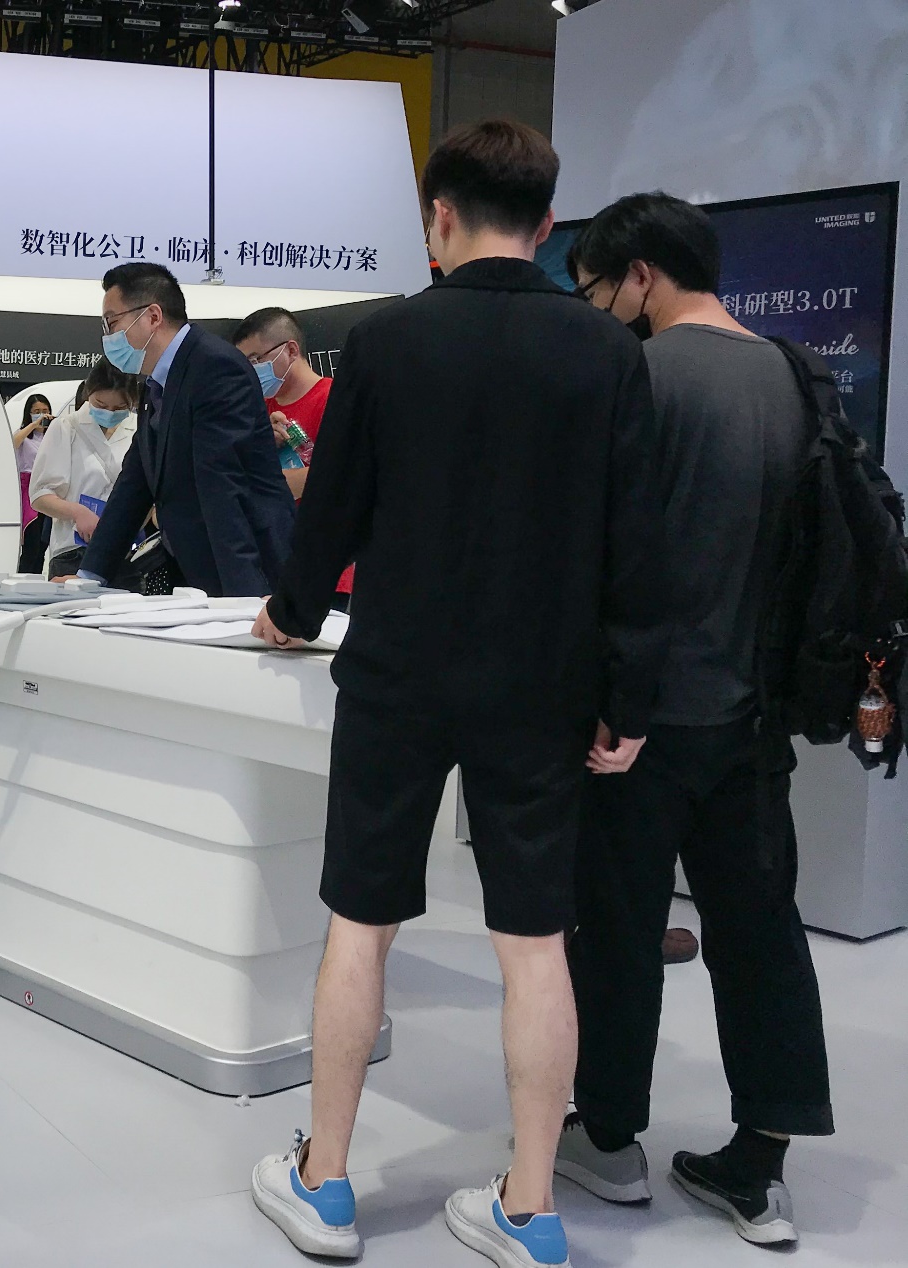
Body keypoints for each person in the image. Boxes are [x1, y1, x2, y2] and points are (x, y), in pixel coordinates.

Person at [246, 121, 668, 1267]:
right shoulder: (605, 351)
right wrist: (627, 696)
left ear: (437, 215)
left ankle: (326, 1182)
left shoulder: (385, 342)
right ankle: (529, 1206)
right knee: (533, 940)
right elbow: (635, 542)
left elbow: (331, 512)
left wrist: (289, 610)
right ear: (547, 223)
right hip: (543, 680)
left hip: (397, 670)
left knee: (359, 920)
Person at [558, 192, 832, 1247]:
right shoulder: (792, 374)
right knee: (760, 933)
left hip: (637, 720)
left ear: (639, 274)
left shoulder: (640, 376)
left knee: (616, 932)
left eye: (598, 288)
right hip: (753, 715)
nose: (601, 310)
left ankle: (608, 1139)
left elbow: (611, 557)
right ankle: (758, 1166)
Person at [72, 263, 295, 597]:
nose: (108, 335)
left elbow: (223, 485)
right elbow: (136, 481)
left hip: (248, 569)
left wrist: (245, 598)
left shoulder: (214, 367)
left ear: (152, 316)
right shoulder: (157, 382)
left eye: (112, 322)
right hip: (199, 570)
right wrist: (89, 576)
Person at [232, 308, 354, 609]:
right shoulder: (258, 408)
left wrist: (265, 482)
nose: (251, 370)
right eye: (244, 363)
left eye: (256, 360)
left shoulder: (334, 399)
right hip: (272, 563)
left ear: (290, 350)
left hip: (327, 568)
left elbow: (339, 480)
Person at [28, 358, 139, 577]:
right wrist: (79, 513)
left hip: (126, 552)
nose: (110, 413)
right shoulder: (66, 427)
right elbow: (40, 495)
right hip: (74, 550)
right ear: (89, 393)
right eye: (101, 405)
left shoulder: (138, 428)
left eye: (119, 407)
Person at [14, 394, 53, 574]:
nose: (42, 415)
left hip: (49, 488)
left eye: (45, 411)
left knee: (43, 544)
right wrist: (33, 425)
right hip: (28, 488)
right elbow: (13, 443)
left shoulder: (53, 435)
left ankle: (37, 578)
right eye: (37, 411)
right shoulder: (24, 435)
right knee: (31, 541)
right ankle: (23, 577)